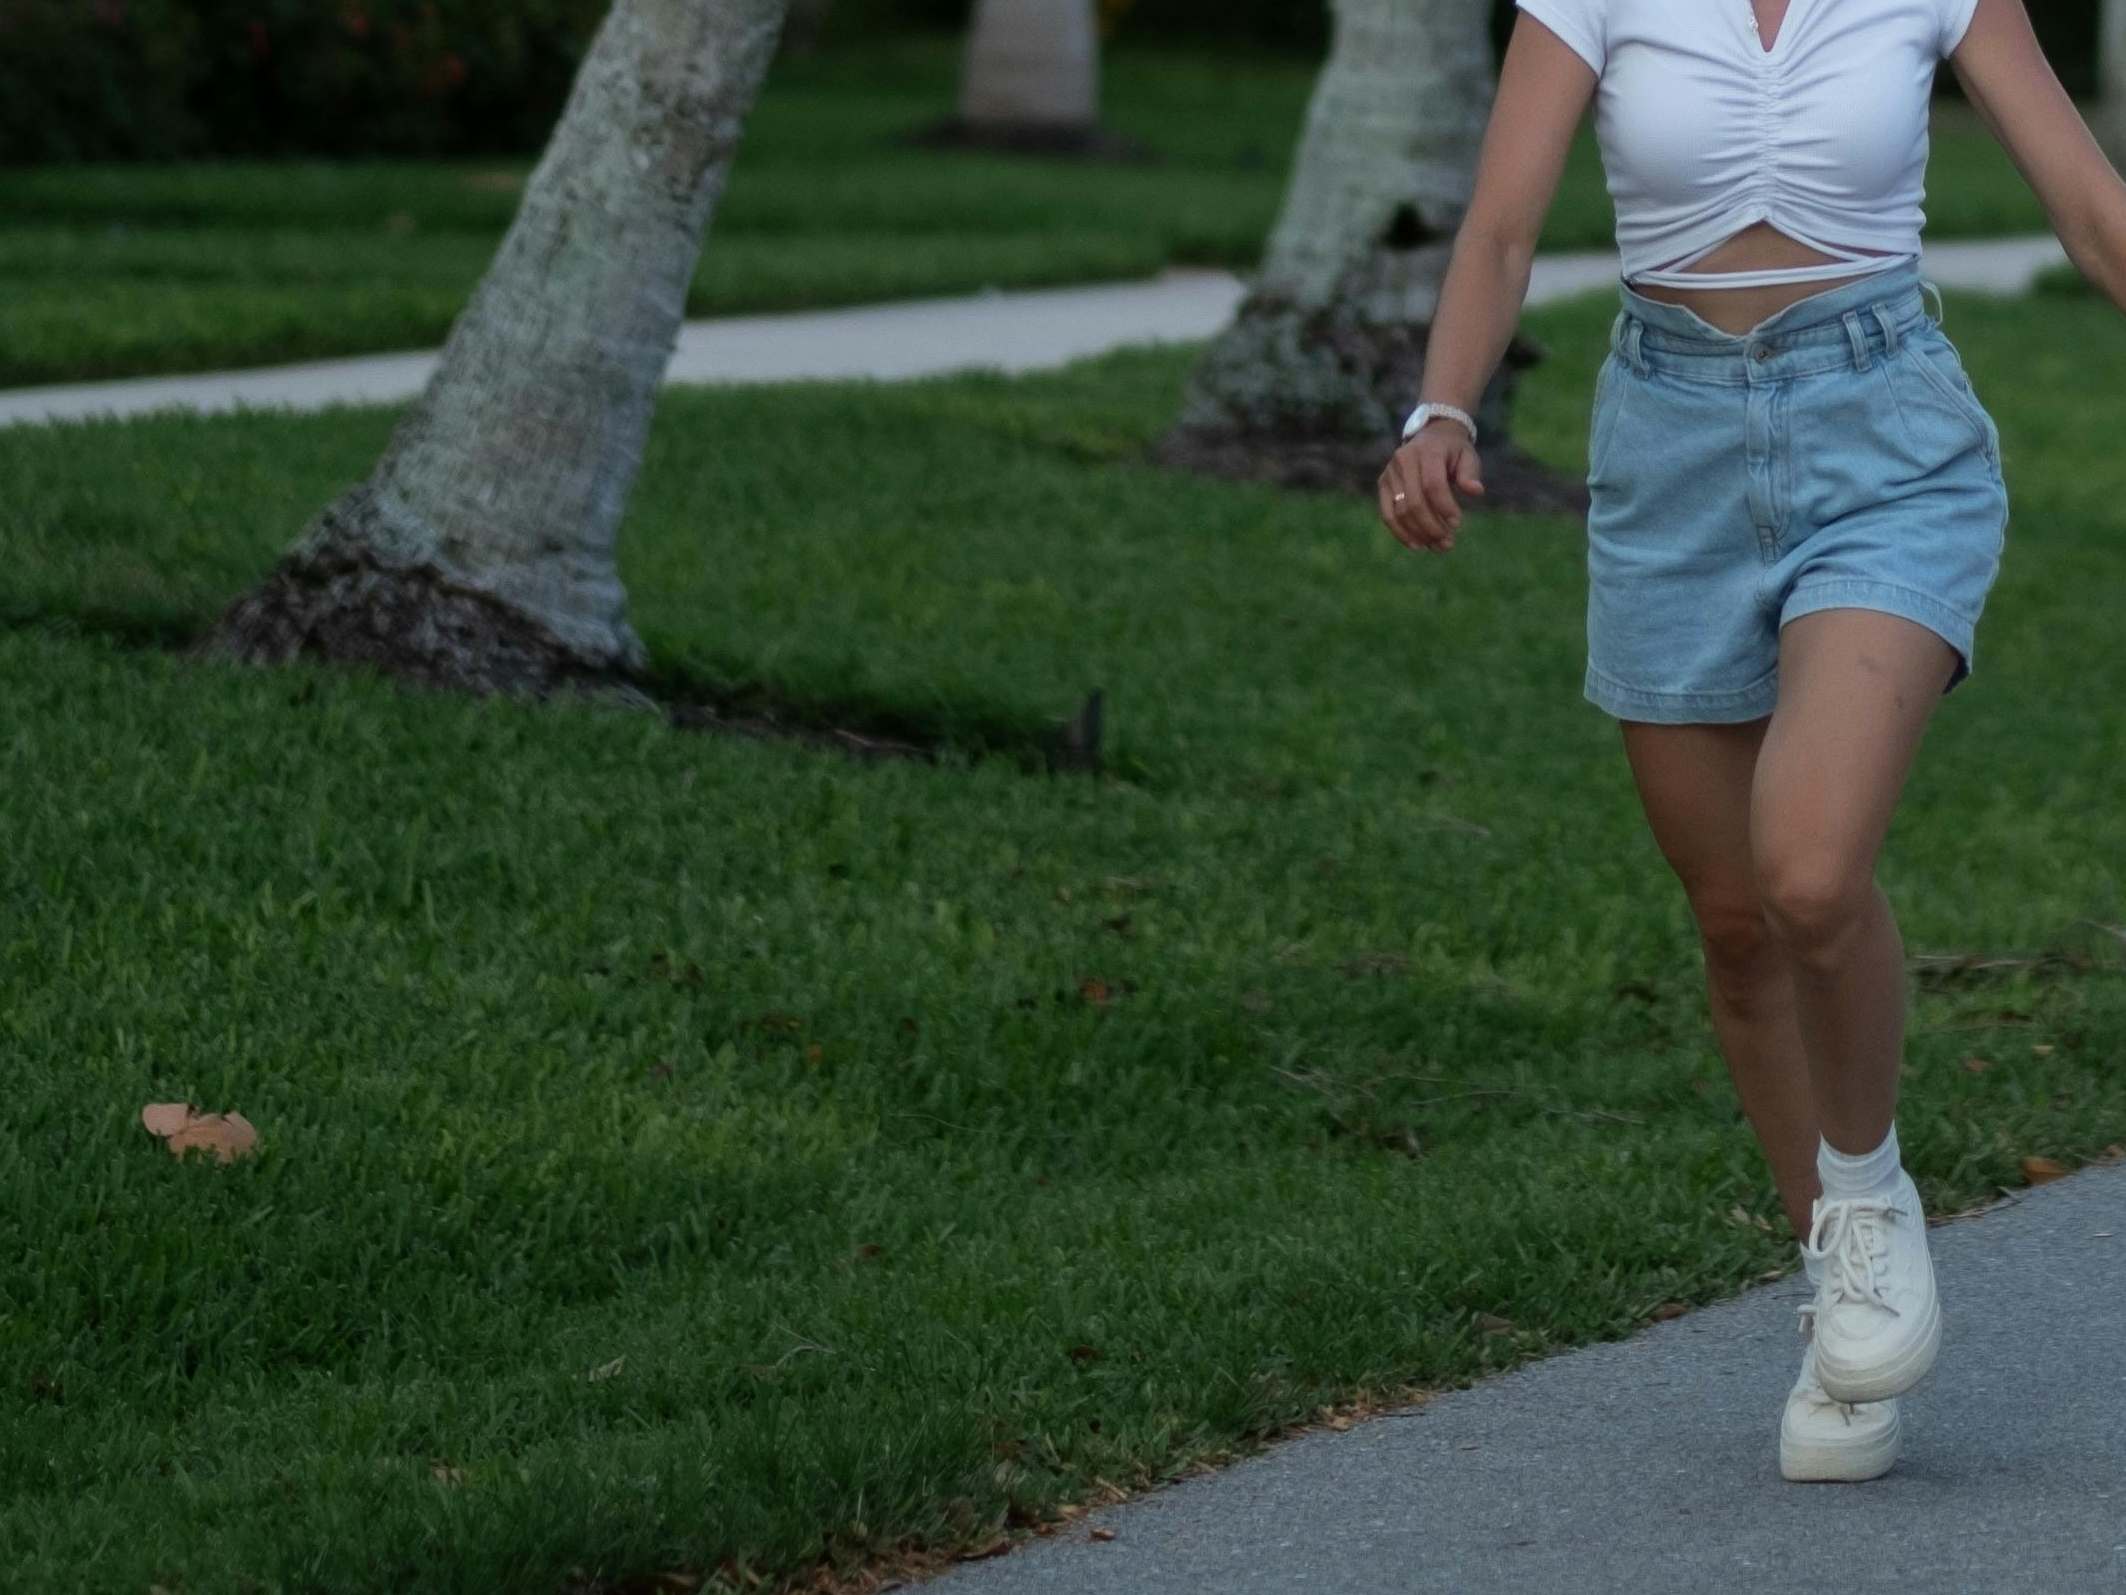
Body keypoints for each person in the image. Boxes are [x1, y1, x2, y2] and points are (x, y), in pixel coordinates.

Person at [1377, 0, 2126, 1482]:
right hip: (1668, 453)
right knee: (1732, 923)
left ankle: (1863, 1204)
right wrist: (1439, 405)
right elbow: (1502, 229)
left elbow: (2094, 212)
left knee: (1804, 871)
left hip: (1883, 439)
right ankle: (1841, 1279)